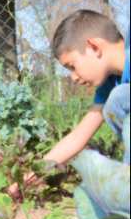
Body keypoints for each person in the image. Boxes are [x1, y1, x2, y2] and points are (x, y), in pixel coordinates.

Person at [35, 11, 129, 169]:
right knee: (113, 104)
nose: (74, 78)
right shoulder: (111, 82)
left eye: (72, 66)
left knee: (118, 100)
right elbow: (77, 137)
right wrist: (32, 175)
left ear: (93, 47)